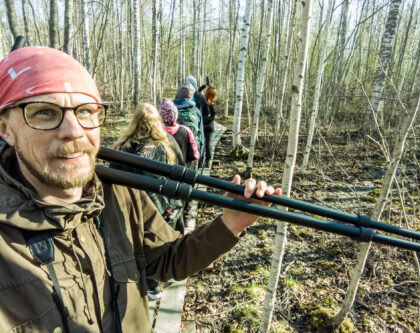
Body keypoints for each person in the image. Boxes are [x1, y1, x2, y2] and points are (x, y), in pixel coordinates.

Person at [0, 46, 280, 332]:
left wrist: (231, 222)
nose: (73, 130)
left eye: (85, 111)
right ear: (5, 128)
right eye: (45, 112)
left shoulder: (118, 192)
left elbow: (168, 259)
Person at [112, 102, 185, 301]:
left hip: (134, 209)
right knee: (167, 241)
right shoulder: (168, 142)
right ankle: (169, 273)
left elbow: (112, 181)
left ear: (134, 121)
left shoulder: (123, 147)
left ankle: (152, 286)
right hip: (166, 206)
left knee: (143, 247)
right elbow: (182, 168)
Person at [160, 98, 199, 167]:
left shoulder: (158, 132)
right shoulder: (186, 130)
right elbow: (195, 155)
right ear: (176, 115)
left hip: (163, 172)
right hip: (181, 172)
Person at [174, 83, 204, 164]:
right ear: (191, 96)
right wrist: (199, 156)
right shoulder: (196, 112)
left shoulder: (171, 110)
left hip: (172, 154)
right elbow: (201, 136)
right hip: (191, 157)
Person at [199, 85, 216, 167]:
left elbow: (197, 93)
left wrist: (203, 87)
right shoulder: (212, 102)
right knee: (208, 144)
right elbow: (213, 116)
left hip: (202, 125)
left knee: (201, 142)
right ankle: (208, 161)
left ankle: (201, 161)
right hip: (210, 126)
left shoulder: (202, 100)